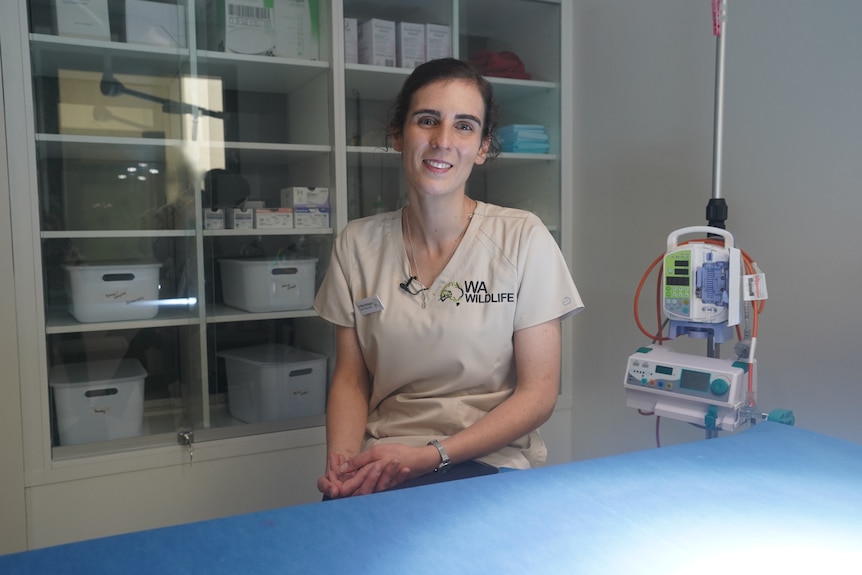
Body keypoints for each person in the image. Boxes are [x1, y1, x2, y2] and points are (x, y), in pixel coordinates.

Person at [313, 58, 583, 499]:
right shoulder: (356, 245)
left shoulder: (522, 237)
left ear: (481, 147)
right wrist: (344, 468)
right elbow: (350, 377)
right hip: (384, 460)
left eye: (464, 126)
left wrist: (430, 455)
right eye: (427, 121)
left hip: (490, 462)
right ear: (399, 135)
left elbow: (539, 394)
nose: (442, 141)